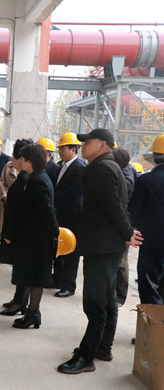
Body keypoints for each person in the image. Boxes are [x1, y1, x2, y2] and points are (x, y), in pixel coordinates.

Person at [58, 128, 142, 374]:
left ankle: (87, 357)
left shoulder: (103, 168)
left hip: (102, 246)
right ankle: (103, 347)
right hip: (106, 245)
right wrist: (125, 233)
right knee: (106, 300)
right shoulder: (107, 166)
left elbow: (113, 206)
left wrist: (127, 232)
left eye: (88, 141)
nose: (83, 145)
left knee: (95, 303)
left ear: (103, 144)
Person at [3, 144, 59, 329]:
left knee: (35, 278)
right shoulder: (39, 177)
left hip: (36, 239)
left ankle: (33, 313)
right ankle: (32, 313)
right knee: (34, 276)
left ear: (29, 162)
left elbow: (47, 212)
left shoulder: (37, 182)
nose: (19, 161)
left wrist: (56, 233)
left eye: (22, 159)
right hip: (34, 237)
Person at [0, 138, 34, 316]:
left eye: (13, 156)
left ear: (22, 159)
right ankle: (18, 299)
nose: (11, 159)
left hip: (21, 232)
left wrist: (10, 233)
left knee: (22, 268)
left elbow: (19, 209)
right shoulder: (22, 176)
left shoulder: (26, 179)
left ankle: (21, 303)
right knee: (19, 267)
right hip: (16, 229)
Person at [129, 133, 164, 306]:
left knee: (150, 285)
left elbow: (133, 213)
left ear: (155, 156)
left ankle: (152, 321)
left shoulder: (146, 180)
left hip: (151, 243)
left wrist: (128, 230)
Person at [51, 132, 86, 298]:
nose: (60, 151)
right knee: (59, 247)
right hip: (60, 215)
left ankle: (69, 285)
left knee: (71, 252)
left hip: (72, 216)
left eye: (63, 148)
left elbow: (73, 192)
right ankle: (57, 280)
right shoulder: (61, 166)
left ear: (74, 149)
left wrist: (51, 197)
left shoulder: (80, 168)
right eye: (60, 148)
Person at [112, 148, 135, 307]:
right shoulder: (123, 172)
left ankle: (120, 297)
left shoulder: (126, 179)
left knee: (121, 261)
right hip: (121, 223)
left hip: (124, 224)